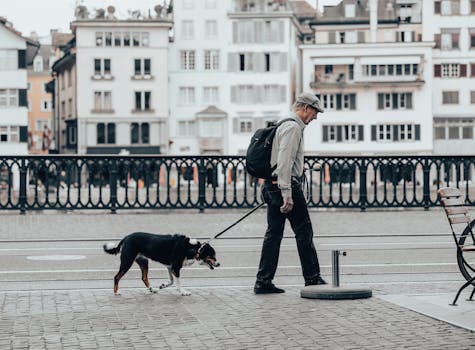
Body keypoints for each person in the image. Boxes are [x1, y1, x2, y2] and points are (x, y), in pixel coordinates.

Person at [254, 92, 327, 294]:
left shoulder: (282, 123)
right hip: (284, 186)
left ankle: (263, 281)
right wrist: (287, 193)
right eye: (315, 112)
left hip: (272, 184)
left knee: (274, 235)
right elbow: (284, 161)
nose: (315, 117)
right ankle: (312, 278)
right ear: (305, 108)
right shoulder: (293, 127)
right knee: (304, 231)